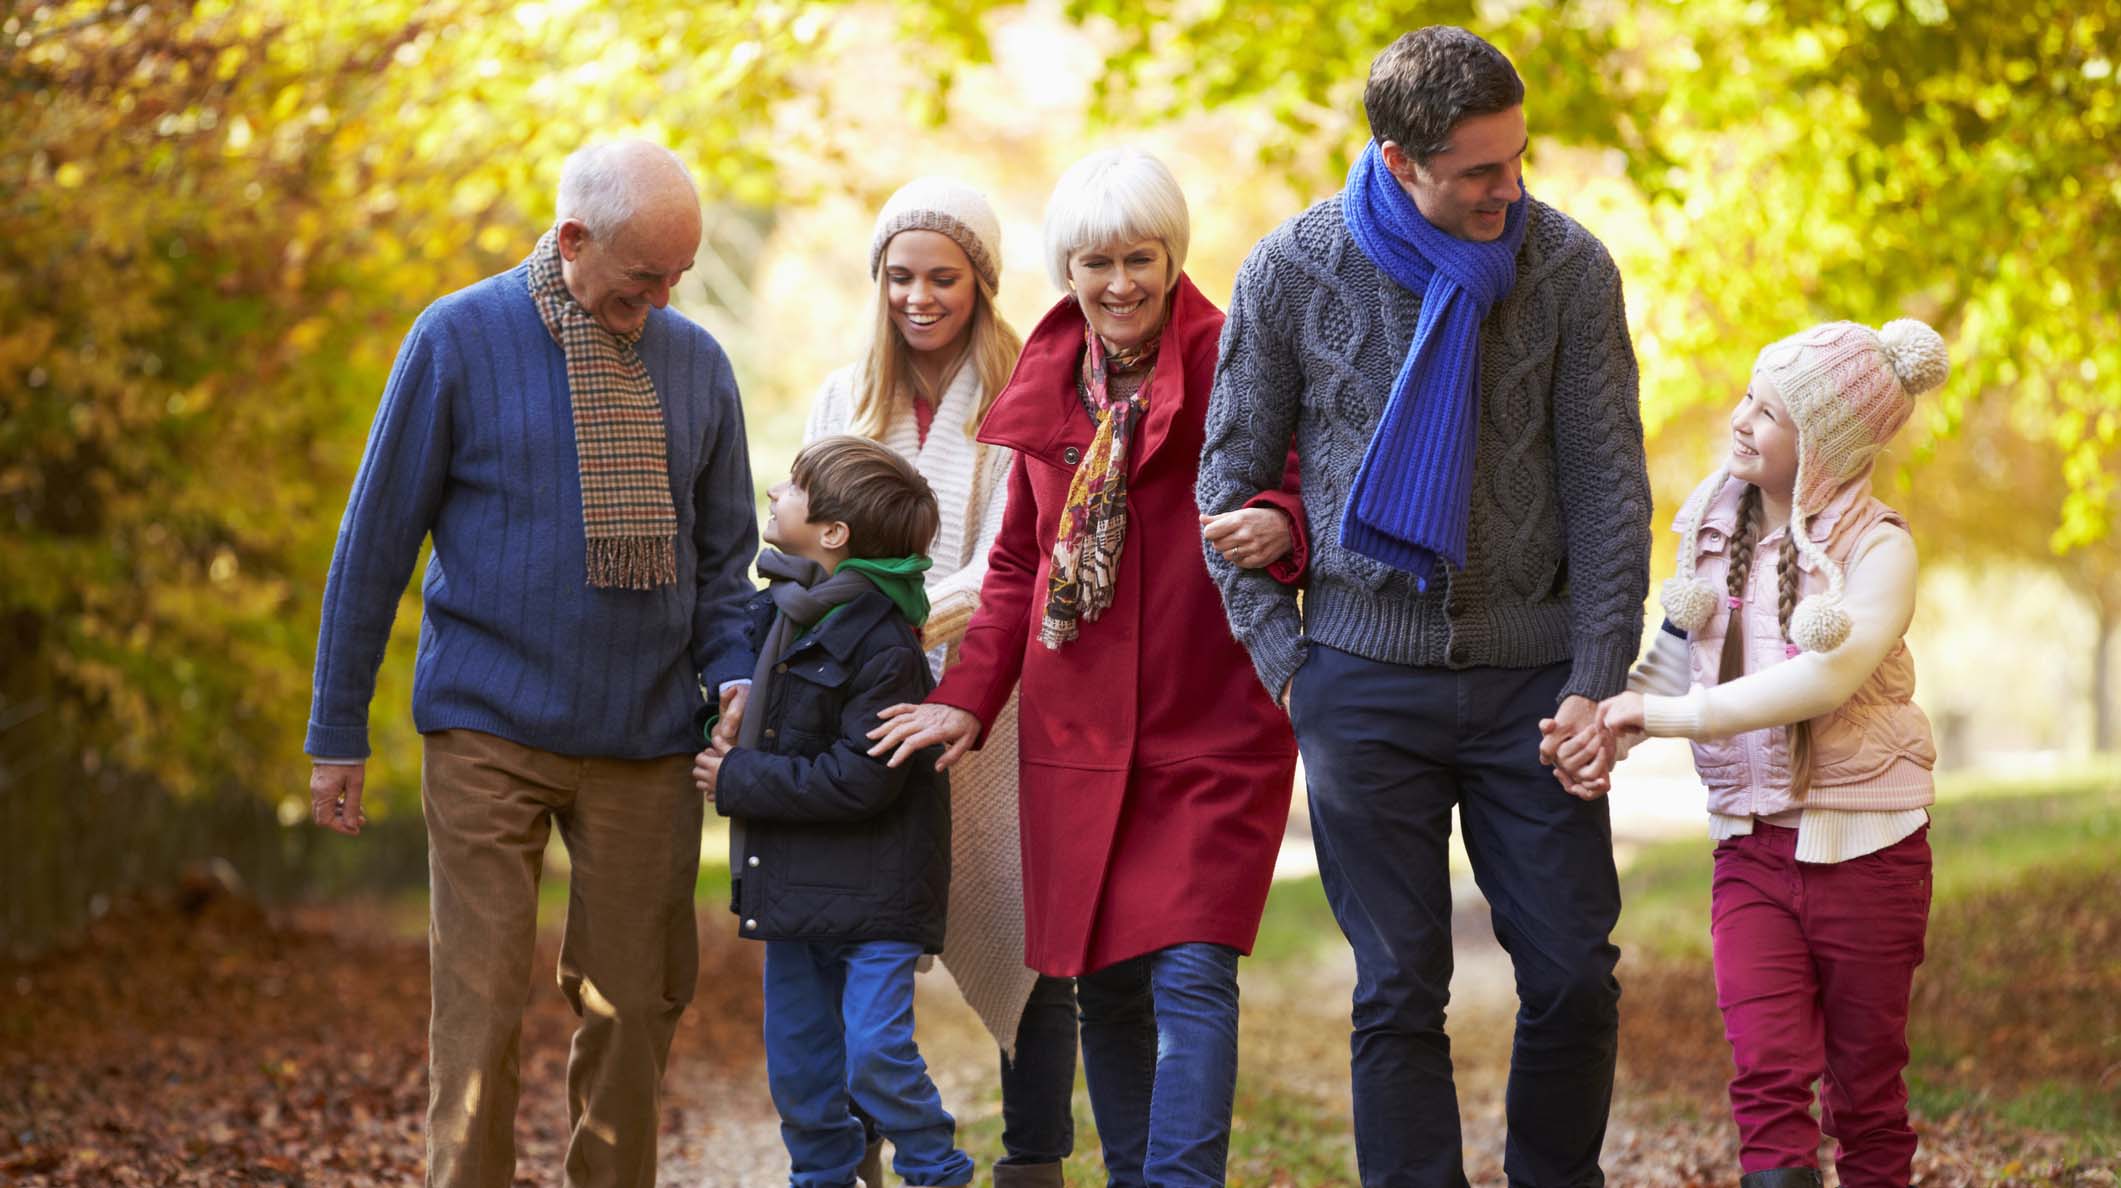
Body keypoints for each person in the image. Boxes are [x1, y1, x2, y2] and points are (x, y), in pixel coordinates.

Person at [1196, 26, 1651, 1188]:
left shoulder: (1569, 269)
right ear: (1401, 160)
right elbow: (1225, 484)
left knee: (1568, 972)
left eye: (1518, 159)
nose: (1511, 189)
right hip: (1359, 681)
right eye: (1480, 172)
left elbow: (1608, 489)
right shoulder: (1292, 270)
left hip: (1534, 683)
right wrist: (1289, 667)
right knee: (1399, 986)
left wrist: (1598, 681)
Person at [302, 140, 758, 1188]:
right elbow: (373, 546)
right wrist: (336, 733)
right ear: (571, 240)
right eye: (643, 275)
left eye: (677, 277)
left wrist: (734, 673)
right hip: (487, 728)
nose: (661, 297)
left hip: (646, 739)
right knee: (480, 1001)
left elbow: (725, 565)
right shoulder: (457, 339)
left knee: (633, 1011)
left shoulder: (695, 366)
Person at [867, 147, 1303, 1188]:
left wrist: (1275, 523)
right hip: (1078, 734)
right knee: (1104, 981)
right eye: (1096, 262)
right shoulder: (1051, 379)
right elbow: (1018, 560)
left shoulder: (1234, 356)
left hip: (1212, 720)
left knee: (1194, 969)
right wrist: (967, 702)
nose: (1119, 285)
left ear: (1173, 256)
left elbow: (1305, 487)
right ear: (1068, 270)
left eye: (1140, 259)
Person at [1581, 319, 1950, 1188]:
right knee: (1766, 1077)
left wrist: (1669, 718)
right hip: (1749, 848)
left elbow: (1824, 680)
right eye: (1747, 396)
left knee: (1864, 1096)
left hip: (1868, 850)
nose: (1742, 419)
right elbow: (1674, 655)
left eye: (1771, 412)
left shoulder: (1879, 549)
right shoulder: (1712, 521)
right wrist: (1608, 728)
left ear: (1824, 444)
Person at [788, 176, 1076, 1187]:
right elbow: (801, 544)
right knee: (861, 928)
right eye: (900, 275)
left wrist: (895, 621)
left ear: (981, 282)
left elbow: (1017, 556)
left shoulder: (1026, 394)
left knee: (1020, 926)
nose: (919, 296)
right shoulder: (841, 398)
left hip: (988, 705)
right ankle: (864, 1138)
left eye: (943, 277)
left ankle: (1032, 1156)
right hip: (857, 707)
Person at [696, 434, 975, 1188]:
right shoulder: (781, 609)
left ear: (833, 534)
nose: (774, 495)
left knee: (875, 1056)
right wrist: (724, 712)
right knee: (803, 1076)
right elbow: (756, 706)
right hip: (794, 892)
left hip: (876, 896)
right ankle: (819, 1179)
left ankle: (935, 1169)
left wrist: (737, 777)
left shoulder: (884, 643)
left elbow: (862, 779)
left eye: (791, 487)